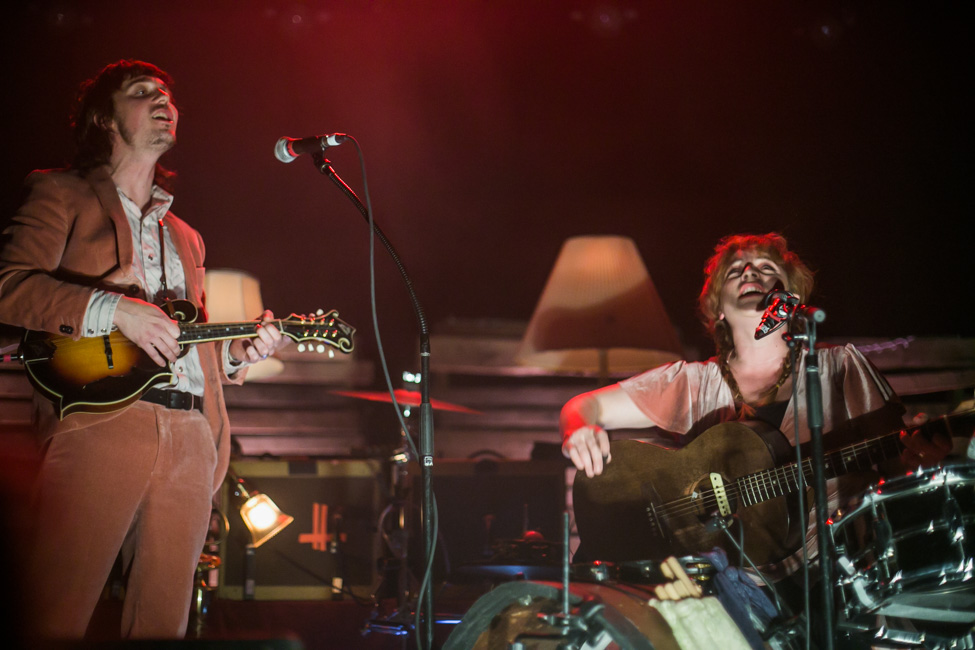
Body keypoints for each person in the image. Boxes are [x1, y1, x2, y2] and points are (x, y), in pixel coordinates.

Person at [0, 59, 289, 640]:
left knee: (162, 627)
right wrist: (115, 310)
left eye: (168, 95)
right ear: (105, 117)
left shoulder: (188, 236)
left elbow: (188, 337)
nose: (164, 101)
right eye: (142, 92)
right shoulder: (60, 191)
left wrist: (235, 358)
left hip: (190, 436)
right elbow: (9, 285)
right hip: (99, 421)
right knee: (54, 615)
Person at [560, 233, 951, 602]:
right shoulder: (693, 383)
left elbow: (895, 463)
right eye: (736, 271)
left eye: (766, 269)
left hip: (832, 574)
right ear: (719, 310)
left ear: (791, 297)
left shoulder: (838, 367)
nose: (750, 273)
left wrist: (919, 459)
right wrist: (581, 428)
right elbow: (582, 406)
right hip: (717, 584)